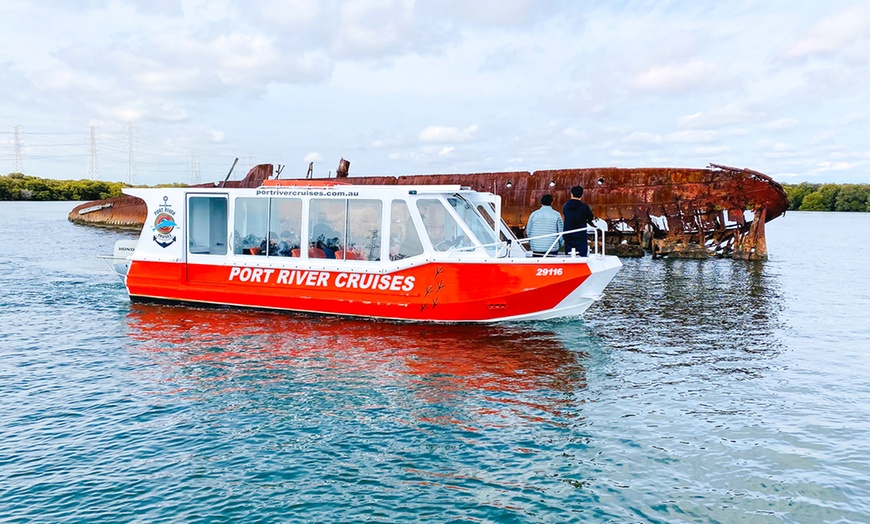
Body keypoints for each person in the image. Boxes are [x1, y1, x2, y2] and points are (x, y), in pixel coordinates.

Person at [562, 185, 596, 256]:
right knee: (582, 255)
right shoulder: (584, 207)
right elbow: (590, 217)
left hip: (568, 234)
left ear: (571, 194)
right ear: (581, 195)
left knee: (568, 255)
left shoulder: (565, 206)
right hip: (580, 234)